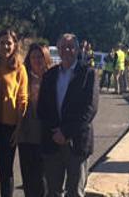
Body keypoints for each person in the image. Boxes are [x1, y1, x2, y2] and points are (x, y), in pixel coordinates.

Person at [37, 33, 99, 197]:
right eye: (63, 47)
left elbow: (89, 109)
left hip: (77, 143)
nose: (67, 50)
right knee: (53, 192)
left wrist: (66, 132)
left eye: (71, 47)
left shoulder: (88, 74)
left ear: (78, 50)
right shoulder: (50, 75)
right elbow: (42, 108)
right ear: (58, 49)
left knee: (75, 192)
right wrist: (55, 131)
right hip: (52, 141)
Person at [0, 30, 28, 197]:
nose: (5, 46)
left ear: (15, 45)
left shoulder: (19, 68)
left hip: (9, 126)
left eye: (9, 43)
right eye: (2, 43)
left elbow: (23, 98)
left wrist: (19, 127)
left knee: (5, 170)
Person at [18, 43, 53, 197]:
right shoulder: (23, 77)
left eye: (40, 57)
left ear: (46, 58)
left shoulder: (53, 78)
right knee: (28, 179)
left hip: (45, 136)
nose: (37, 60)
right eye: (33, 57)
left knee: (43, 180)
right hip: (25, 135)